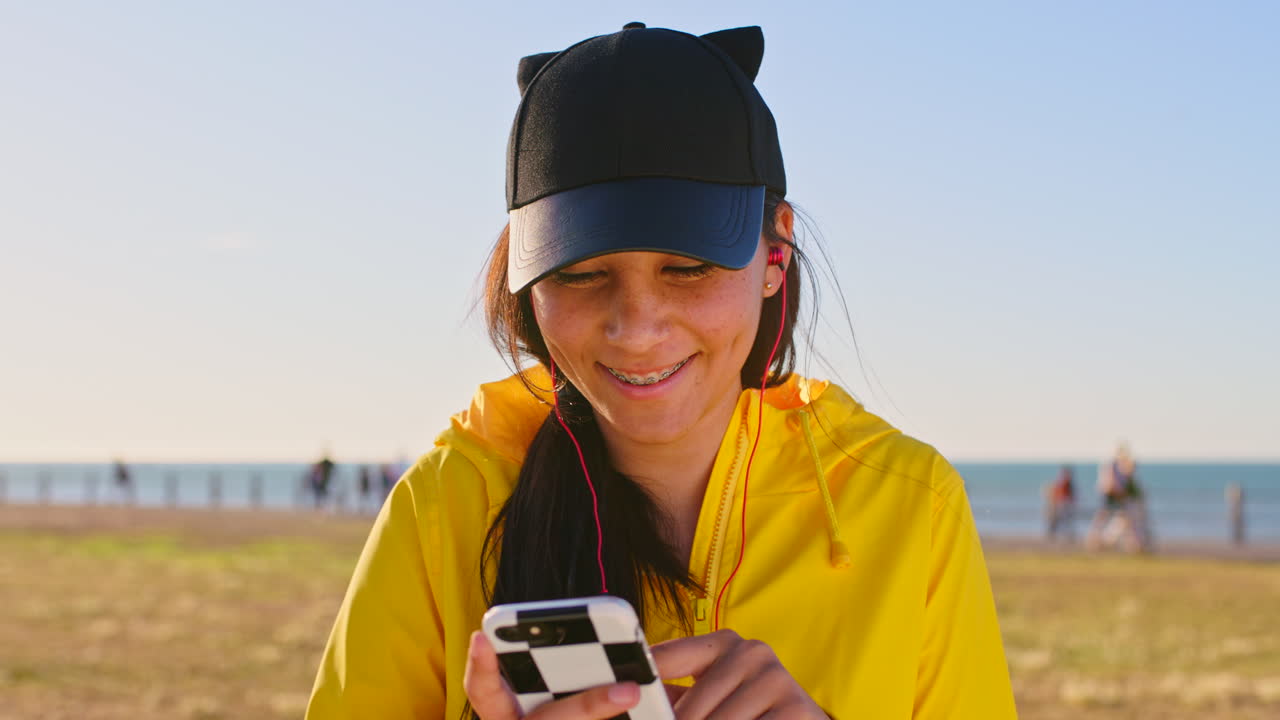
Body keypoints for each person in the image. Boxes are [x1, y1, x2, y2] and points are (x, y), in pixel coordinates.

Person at [306, 23, 1016, 719]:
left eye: (688, 267)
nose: (636, 329)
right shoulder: (444, 510)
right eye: (581, 274)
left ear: (776, 255)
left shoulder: (909, 508)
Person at [1044, 464, 1076, 542]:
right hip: (1061, 505)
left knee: (1064, 521)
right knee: (1060, 521)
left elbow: (1071, 495)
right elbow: (1057, 494)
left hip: (1064, 505)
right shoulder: (1062, 482)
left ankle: (1064, 535)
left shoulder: (1066, 483)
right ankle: (1054, 535)